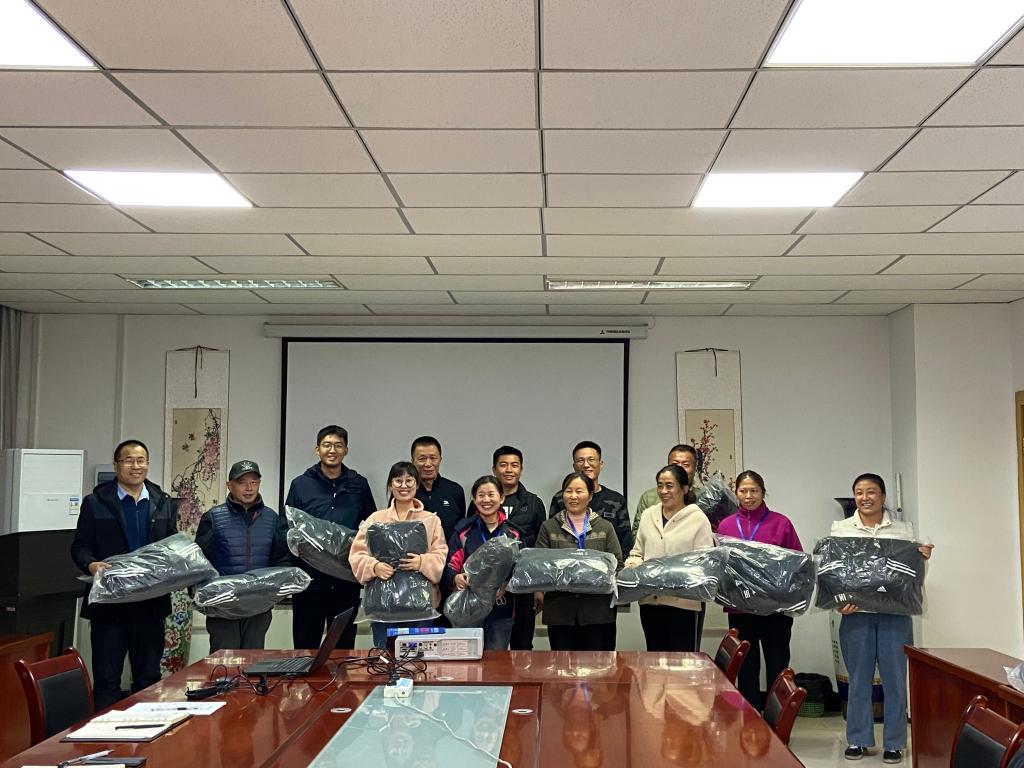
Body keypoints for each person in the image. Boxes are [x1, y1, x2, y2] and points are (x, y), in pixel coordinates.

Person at [833, 473, 934, 764]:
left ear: (883, 496)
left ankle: (895, 742)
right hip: (856, 616)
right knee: (859, 679)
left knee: (895, 680)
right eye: (859, 492)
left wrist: (922, 559)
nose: (865, 498)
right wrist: (839, 603)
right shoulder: (841, 529)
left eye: (871, 492)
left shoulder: (903, 530)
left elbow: (911, 576)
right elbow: (835, 572)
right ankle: (858, 739)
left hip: (895, 616)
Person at [70, 439, 177, 710]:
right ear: (116, 465)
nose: (135, 466)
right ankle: (104, 735)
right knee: (107, 680)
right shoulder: (96, 502)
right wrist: (91, 565)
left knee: (149, 679)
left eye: (141, 460)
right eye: (128, 460)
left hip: (150, 606)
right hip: (110, 607)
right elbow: (80, 546)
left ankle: (148, 733)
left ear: (148, 464)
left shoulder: (162, 502)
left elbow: (172, 546)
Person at [716, 470, 803, 708]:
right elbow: (721, 567)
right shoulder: (726, 525)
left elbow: (798, 563)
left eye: (754, 490)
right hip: (741, 610)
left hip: (776, 611)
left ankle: (778, 721)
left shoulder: (781, 523)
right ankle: (750, 718)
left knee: (778, 667)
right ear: (736, 493)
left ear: (763, 493)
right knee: (746, 667)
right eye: (743, 490)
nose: (748, 496)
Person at [285, 424, 376, 649]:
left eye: (338, 445)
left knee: (343, 651)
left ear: (346, 450)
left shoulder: (359, 484)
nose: (332, 450)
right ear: (317, 449)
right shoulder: (300, 484)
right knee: (306, 649)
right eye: (327, 445)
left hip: (346, 582)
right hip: (310, 583)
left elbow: (370, 526)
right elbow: (287, 528)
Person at [349, 462, 448, 649]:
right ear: (390, 484)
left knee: (419, 660)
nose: (404, 486)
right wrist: (374, 567)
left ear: (417, 484)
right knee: (385, 658)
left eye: (409, 480)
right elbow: (357, 555)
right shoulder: (375, 519)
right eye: (398, 481)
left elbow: (440, 554)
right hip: (382, 606)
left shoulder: (431, 520)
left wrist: (422, 562)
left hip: (421, 607)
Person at [195, 460, 290, 653]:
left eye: (254, 482)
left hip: (258, 608)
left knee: (252, 661)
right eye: (242, 482)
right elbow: (200, 563)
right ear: (230, 486)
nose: (249, 488)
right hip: (223, 608)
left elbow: (282, 559)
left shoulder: (271, 518)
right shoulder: (213, 518)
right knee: (224, 663)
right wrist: (202, 594)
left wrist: (276, 591)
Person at [625, 464, 714, 652]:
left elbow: (704, 562)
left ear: (684, 488)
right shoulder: (648, 515)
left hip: (684, 605)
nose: (663, 491)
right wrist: (633, 565)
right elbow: (638, 552)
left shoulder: (697, 519)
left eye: (669, 486)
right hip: (650, 602)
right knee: (655, 658)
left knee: (682, 662)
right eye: (660, 485)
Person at [535, 471, 623, 651]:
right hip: (560, 612)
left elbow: (617, 565)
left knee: (599, 665)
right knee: (562, 665)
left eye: (579, 491)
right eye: (569, 491)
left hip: (598, 612)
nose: (573, 496)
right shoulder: (549, 527)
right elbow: (539, 566)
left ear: (590, 496)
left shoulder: (605, 527)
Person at [470, 445, 546, 650]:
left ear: (521, 469)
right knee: (490, 647)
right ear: (494, 469)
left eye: (514, 465)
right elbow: (471, 542)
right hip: (488, 589)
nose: (509, 470)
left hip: (523, 588)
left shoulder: (534, 503)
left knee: (523, 645)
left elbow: (540, 547)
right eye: (503, 465)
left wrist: (539, 588)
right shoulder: (481, 501)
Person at [443, 475, 522, 650]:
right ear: (474, 499)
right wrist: (456, 578)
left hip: (501, 608)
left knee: (496, 661)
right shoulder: (463, 531)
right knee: (466, 659)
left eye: (491, 494)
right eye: (481, 495)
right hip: (467, 606)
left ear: (501, 498)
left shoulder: (513, 533)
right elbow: (450, 566)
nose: (486, 500)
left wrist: (506, 585)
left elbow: (519, 570)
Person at [550, 441, 632, 556]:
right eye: (580, 460)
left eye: (591, 459)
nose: (586, 465)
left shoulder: (616, 500)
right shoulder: (561, 498)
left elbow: (625, 541)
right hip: (566, 563)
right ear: (574, 466)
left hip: (607, 564)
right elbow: (552, 535)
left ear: (601, 464)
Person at [632, 444, 703, 538]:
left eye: (686, 464)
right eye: (675, 464)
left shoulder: (704, 497)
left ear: (695, 468)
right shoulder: (649, 497)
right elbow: (637, 534)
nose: (680, 468)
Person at [411, 436, 467, 544]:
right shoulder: (405, 493)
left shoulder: (455, 490)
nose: (428, 464)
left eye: (433, 458)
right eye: (422, 459)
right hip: (414, 554)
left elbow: (461, 530)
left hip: (449, 553)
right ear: (413, 461)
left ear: (440, 460)